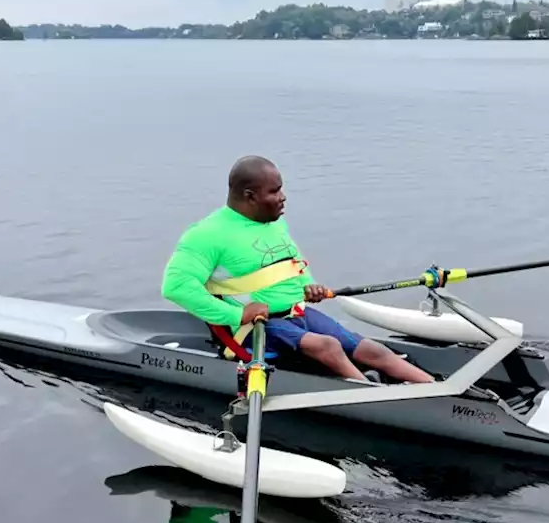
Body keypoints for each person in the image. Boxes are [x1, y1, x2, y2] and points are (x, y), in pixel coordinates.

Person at [161, 155, 434, 384]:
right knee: (328, 346)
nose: (283, 197)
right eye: (274, 191)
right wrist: (237, 314)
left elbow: (294, 264)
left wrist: (309, 286)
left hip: (296, 314)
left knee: (371, 349)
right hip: (254, 329)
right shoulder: (207, 235)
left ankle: (438, 391)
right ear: (250, 196)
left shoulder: (274, 223)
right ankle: (379, 399)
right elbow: (176, 288)